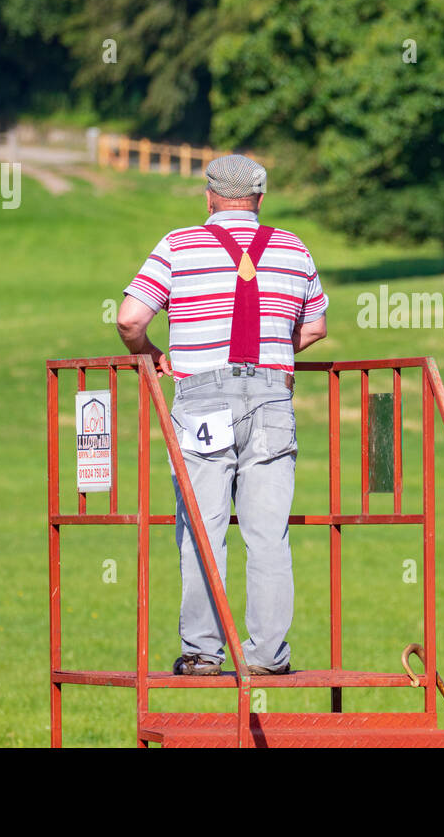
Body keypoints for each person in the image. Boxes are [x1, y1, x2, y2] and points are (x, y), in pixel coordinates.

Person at [115, 154, 327, 676]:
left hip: (203, 401)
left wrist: (150, 353)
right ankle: (269, 656)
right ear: (260, 198)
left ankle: (205, 652)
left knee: (203, 529)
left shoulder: (179, 244)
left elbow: (129, 318)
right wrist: (274, 348)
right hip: (274, 399)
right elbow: (317, 327)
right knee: (268, 532)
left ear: (208, 197)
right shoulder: (293, 247)